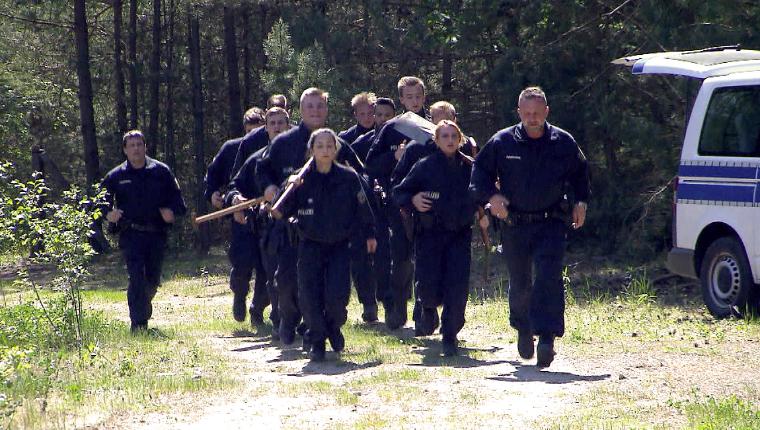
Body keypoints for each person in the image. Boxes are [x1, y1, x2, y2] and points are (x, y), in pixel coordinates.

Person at [469, 86, 590, 367]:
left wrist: (581, 201)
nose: (532, 118)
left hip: (551, 222)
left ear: (546, 112)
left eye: (537, 113)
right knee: (521, 282)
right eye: (527, 114)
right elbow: (479, 173)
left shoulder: (564, 142)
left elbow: (581, 174)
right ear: (519, 113)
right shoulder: (502, 142)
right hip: (515, 224)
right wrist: (492, 196)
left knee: (549, 276)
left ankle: (547, 337)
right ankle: (523, 327)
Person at [273, 128, 377, 361]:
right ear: (311, 150)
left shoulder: (349, 177)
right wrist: (287, 187)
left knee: (337, 297)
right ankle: (317, 340)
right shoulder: (300, 179)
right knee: (309, 297)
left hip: (340, 245)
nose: (325, 150)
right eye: (319, 146)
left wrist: (370, 234)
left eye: (329, 146)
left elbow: (363, 209)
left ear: (336, 149)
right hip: (310, 245)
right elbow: (278, 211)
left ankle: (333, 327)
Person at [393, 120, 477, 356]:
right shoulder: (424, 166)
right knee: (428, 286)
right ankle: (428, 308)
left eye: (454, 136)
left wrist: (485, 210)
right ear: (436, 140)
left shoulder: (469, 167)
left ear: (459, 139)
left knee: (457, 288)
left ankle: (450, 335)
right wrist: (413, 200)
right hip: (430, 235)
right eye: (445, 136)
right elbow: (399, 191)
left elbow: (484, 191)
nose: (450, 140)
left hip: (459, 235)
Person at [256, 87, 329, 345]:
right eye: (309, 106)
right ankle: (287, 317)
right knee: (285, 280)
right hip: (289, 225)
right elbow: (262, 170)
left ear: (326, 110)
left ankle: (314, 329)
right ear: (300, 110)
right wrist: (269, 188)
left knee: (319, 283)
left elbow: (357, 176)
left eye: (320, 106)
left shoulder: (334, 142)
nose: (315, 111)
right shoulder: (283, 143)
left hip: (324, 228)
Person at [102, 130, 187, 332]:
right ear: (125, 150)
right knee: (136, 277)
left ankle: (142, 308)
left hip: (156, 233)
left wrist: (171, 212)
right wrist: (108, 214)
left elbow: (179, 203)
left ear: (145, 147)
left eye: (139, 145)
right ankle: (138, 324)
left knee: (152, 279)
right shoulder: (116, 175)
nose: (136, 149)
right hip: (130, 234)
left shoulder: (161, 171)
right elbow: (98, 203)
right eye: (131, 146)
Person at [366, 76, 428, 330]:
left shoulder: (434, 125)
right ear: (401, 100)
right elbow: (370, 164)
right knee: (400, 257)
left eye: (418, 97)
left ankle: (424, 310)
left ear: (424, 97)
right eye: (409, 97)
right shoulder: (392, 127)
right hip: (398, 202)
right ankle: (398, 305)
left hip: (428, 203)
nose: (414, 102)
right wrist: (394, 155)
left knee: (426, 258)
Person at [225, 107, 292, 332]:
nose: (276, 127)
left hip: (294, 224)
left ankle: (275, 315)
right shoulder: (256, 158)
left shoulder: (301, 155)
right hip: (261, 224)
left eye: (281, 123)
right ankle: (268, 315)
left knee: (281, 275)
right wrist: (236, 200)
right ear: (266, 127)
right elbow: (234, 187)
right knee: (258, 270)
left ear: (288, 125)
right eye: (272, 123)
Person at [204, 107, 271, 324]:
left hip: (268, 215)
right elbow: (214, 175)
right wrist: (213, 193)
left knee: (266, 267)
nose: (253, 134)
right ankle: (240, 295)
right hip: (242, 215)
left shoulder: (276, 149)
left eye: (258, 129)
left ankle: (258, 309)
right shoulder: (233, 148)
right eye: (249, 130)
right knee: (242, 265)